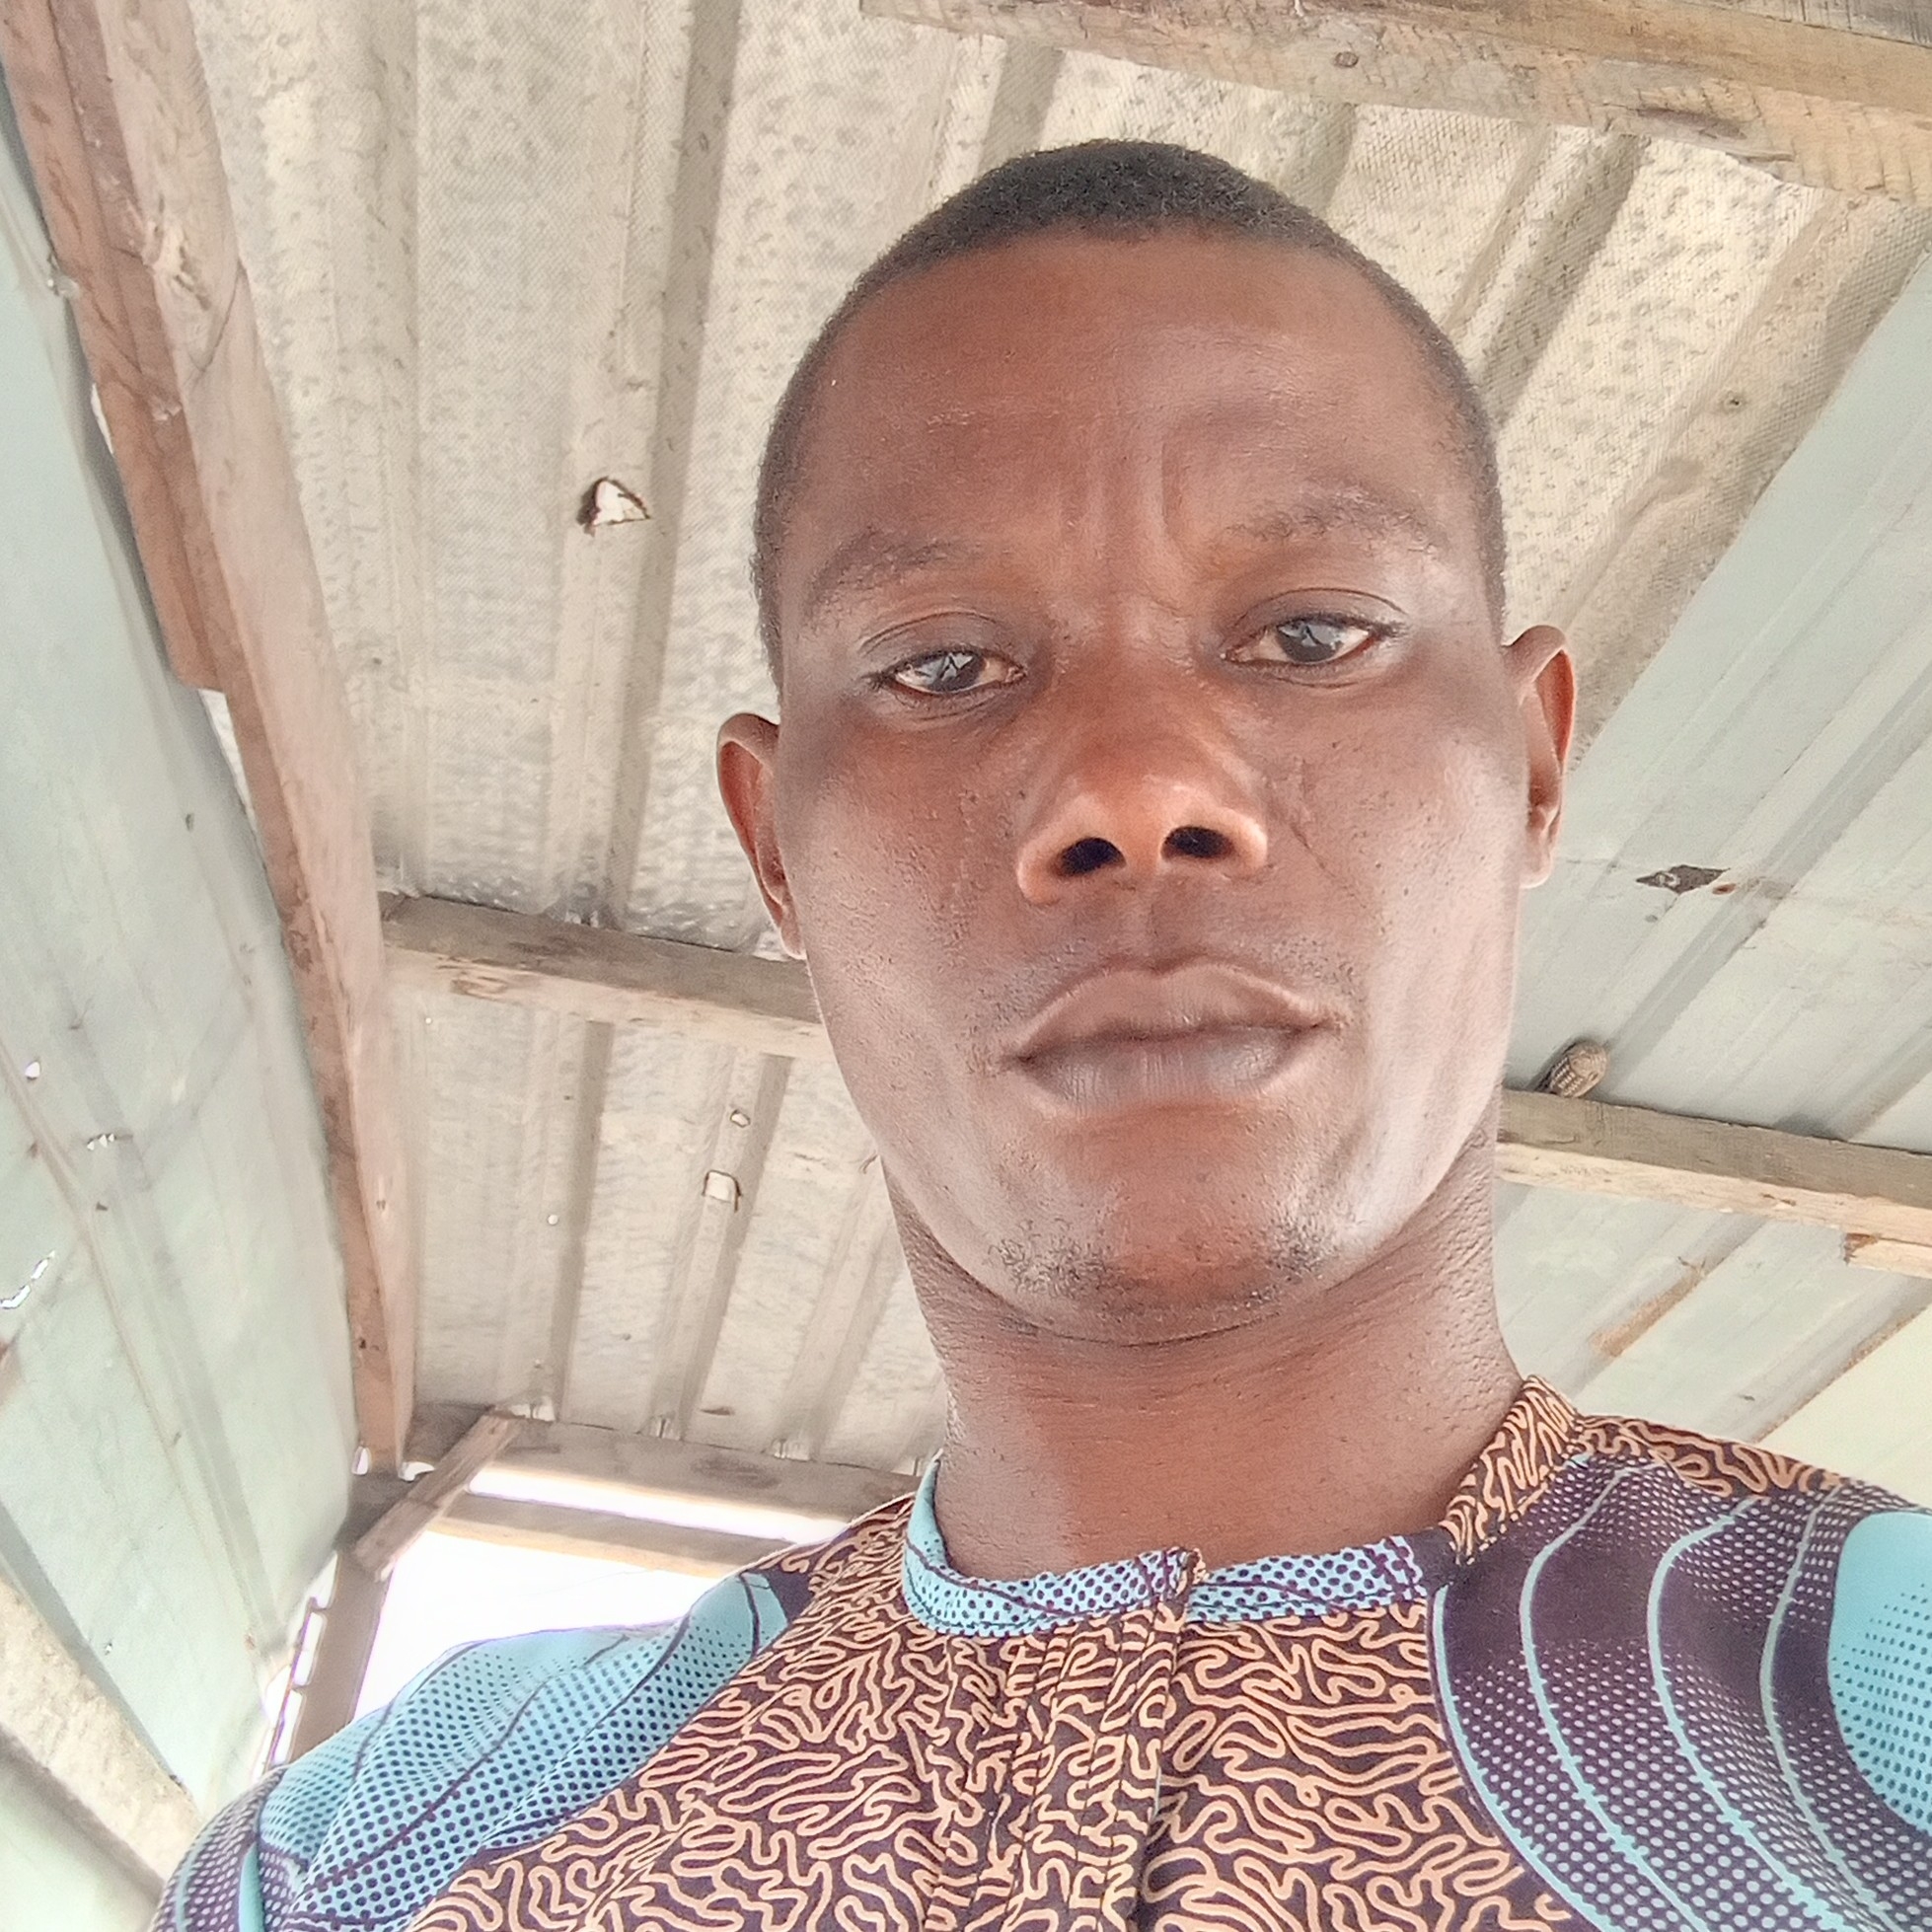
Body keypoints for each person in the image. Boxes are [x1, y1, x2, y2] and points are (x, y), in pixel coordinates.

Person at [157, 141, 1932, 1932]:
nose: (1135, 788)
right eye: (941, 665)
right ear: (776, 850)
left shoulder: (1880, 1705)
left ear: (1532, 764)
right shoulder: (363, 1861)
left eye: (1311, 632)